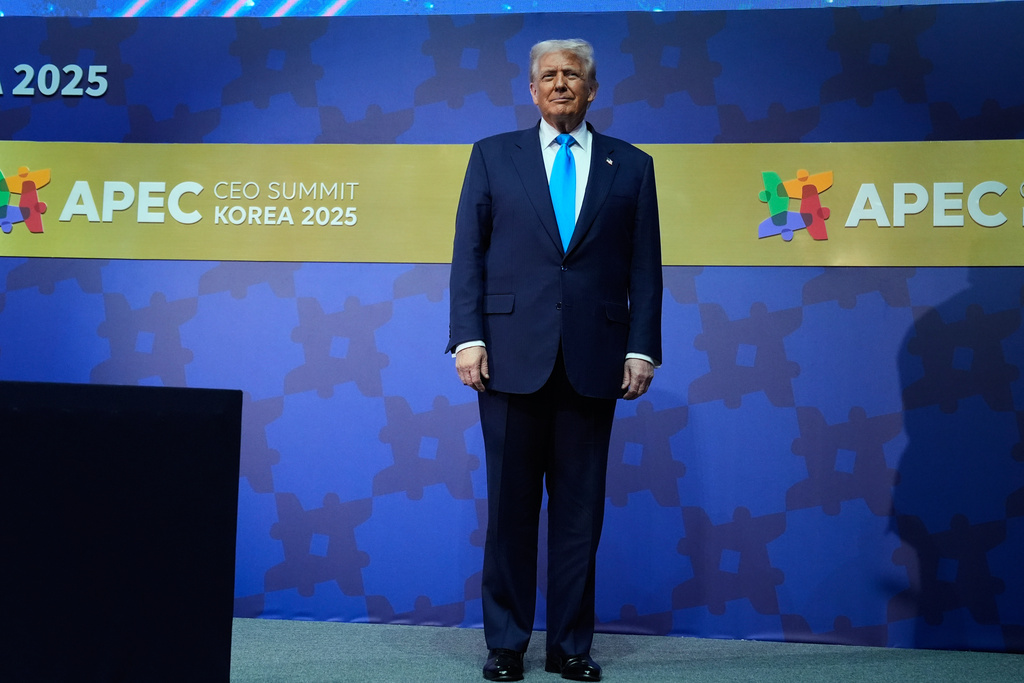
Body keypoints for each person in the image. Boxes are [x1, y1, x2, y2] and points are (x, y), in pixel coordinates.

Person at [447, 38, 662, 682]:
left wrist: (642, 345)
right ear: (532, 90)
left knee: (579, 517)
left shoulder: (633, 165)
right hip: (509, 359)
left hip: (595, 362)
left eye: (573, 74)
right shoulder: (492, 156)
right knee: (510, 513)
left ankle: (572, 646)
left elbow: (644, 268)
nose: (561, 83)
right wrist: (468, 338)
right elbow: (469, 255)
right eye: (549, 75)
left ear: (593, 90)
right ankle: (506, 644)